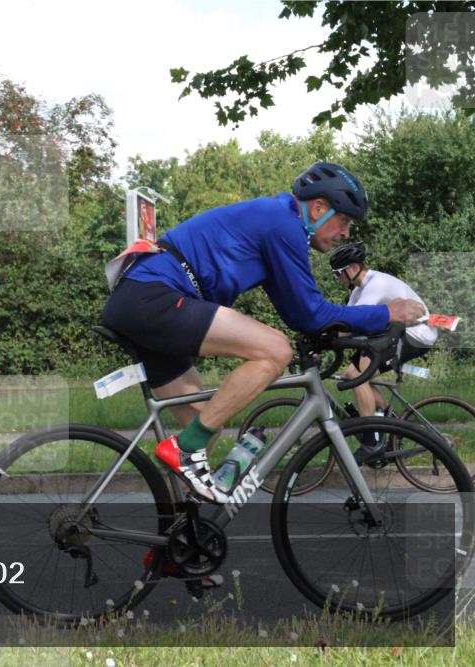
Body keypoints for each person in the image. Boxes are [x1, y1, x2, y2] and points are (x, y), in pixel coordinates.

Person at [101, 162, 425, 504]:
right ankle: (185, 451)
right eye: (344, 221)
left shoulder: (276, 222)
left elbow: (299, 315)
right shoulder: (282, 223)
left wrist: (327, 335)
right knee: (274, 350)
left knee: (206, 424)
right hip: (153, 296)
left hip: (145, 300)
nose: (346, 233)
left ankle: (179, 529)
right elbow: (311, 314)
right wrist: (386, 313)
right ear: (318, 208)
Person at [327, 242, 438, 461]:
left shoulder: (376, 284)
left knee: (357, 376)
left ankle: (370, 443)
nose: (337, 279)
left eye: (337, 274)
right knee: (353, 375)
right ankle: (392, 422)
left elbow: (355, 324)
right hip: (398, 333)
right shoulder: (359, 290)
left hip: (417, 335)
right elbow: (344, 323)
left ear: (352, 268)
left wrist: (328, 340)